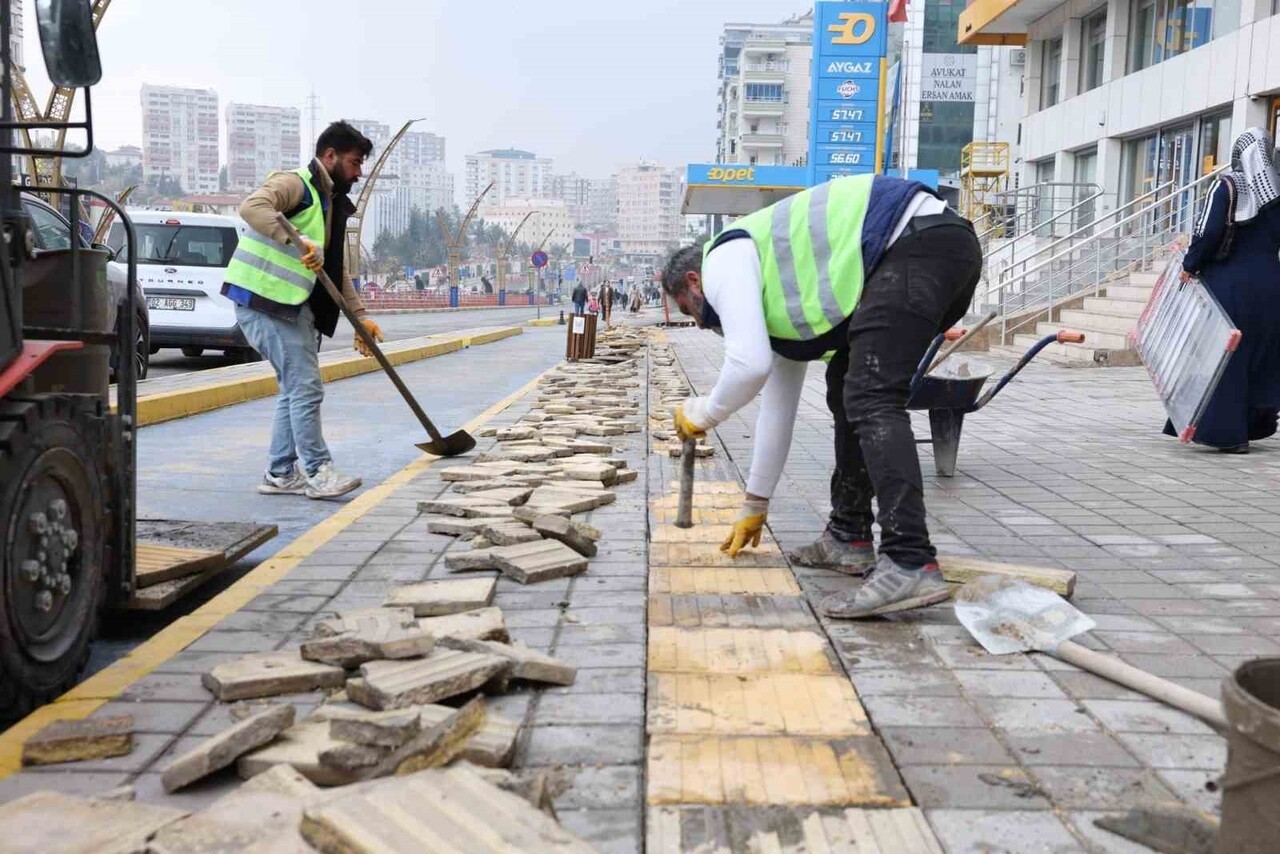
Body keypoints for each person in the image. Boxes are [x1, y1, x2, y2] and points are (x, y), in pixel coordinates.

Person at [663, 174, 982, 619]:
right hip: (934, 248)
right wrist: (756, 503)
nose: (697, 324)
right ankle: (848, 536)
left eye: (687, 308)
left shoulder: (724, 256)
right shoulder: (775, 294)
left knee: (872, 395)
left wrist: (702, 411)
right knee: (847, 384)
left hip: (914, 244)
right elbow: (778, 401)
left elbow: (747, 366)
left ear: (695, 281)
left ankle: (909, 560)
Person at [223, 120, 384, 500]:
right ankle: (318, 470)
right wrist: (296, 240)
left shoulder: (330, 203)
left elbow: (333, 270)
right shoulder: (295, 184)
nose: (359, 173)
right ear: (329, 156)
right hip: (265, 302)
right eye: (354, 162)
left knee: (293, 390)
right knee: (306, 387)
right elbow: (252, 207)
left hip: (291, 307)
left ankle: (280, 472)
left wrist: (360, 318)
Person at [1172, 128, 1280, 452]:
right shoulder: (1276, 192)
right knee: (1261, 354)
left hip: (1229, 284)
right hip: (1271, 286)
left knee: (1225, 357)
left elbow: (1207, 232)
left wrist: (1189, 265)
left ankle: (1228, 434)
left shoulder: (1226, 185)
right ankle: (1253, 424)